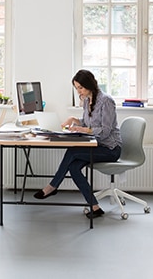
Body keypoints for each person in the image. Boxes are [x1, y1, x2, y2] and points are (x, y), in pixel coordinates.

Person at [33, 69, 122, 219]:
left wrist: (84, 129)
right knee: (74, 168)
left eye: (80, 87)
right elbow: (87, 123)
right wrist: (74, 120)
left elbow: (105, 131)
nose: (78, 91)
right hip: (96, 145)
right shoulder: (87, 100)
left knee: (72, 152)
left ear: (89, 85)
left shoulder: (106, 101)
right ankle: (95, 207)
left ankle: (52, 186)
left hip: (110, 148)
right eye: (76, 88)